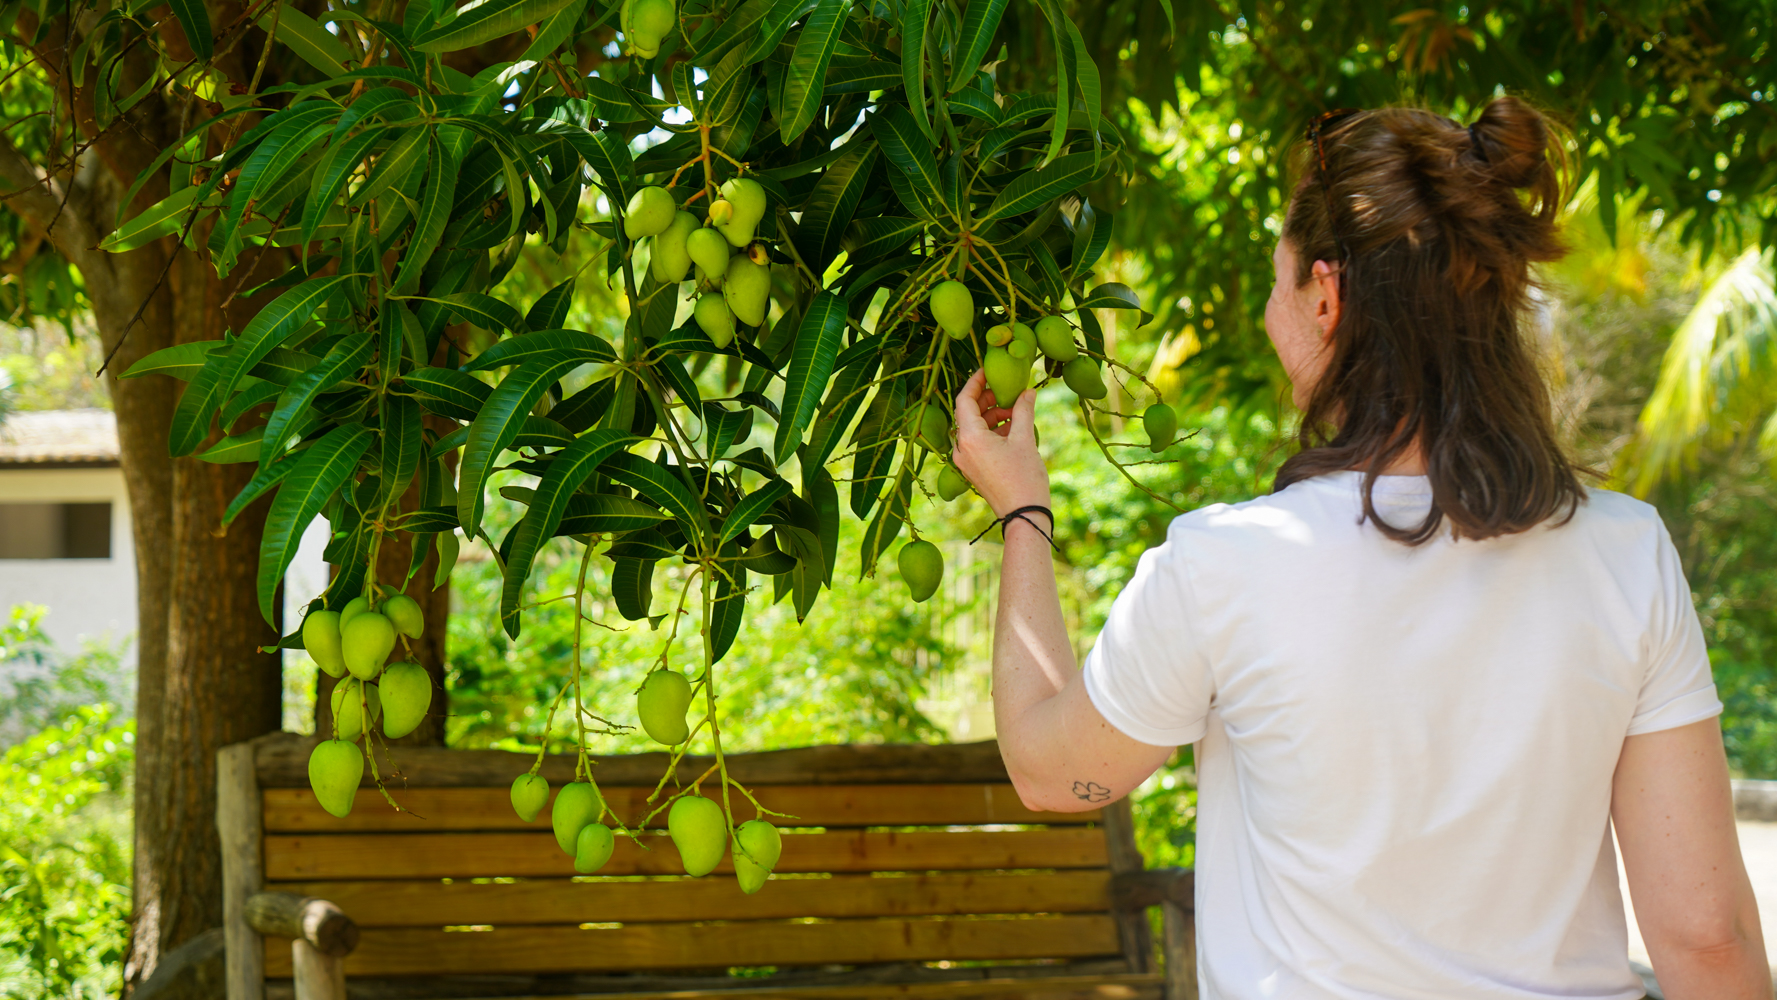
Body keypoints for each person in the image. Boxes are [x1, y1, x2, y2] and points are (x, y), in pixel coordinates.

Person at [950, 96, 1772, 1000]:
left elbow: (1047, 771)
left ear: (1326, 295)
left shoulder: (1225, 565)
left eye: (1277, 281)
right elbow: (1705, 939)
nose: (1271, 313)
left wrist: (1022, 512)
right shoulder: (1626, 552)